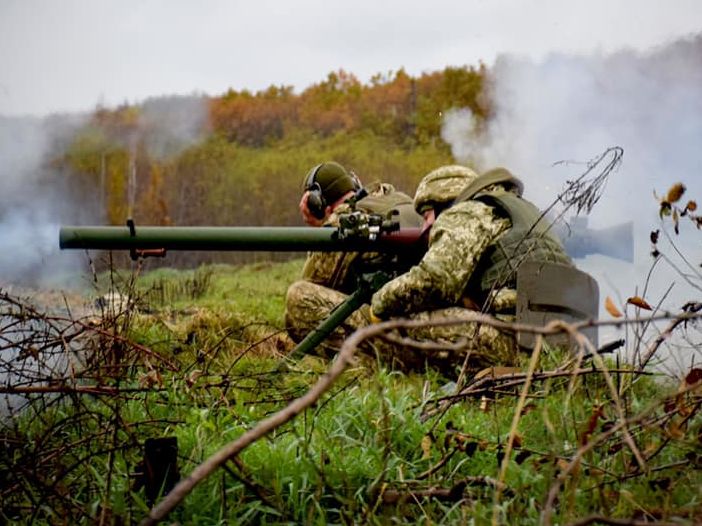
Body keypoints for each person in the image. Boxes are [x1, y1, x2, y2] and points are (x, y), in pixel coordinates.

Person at [368, 164, 574, 370]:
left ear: (443, 203)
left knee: (405, 317)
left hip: (517, 348)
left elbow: (434, 280)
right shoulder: (527, 214)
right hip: (565, 351)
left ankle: (382, 370)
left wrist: (379, 304)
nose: (425, 226)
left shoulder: (468, 212)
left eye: (426, 215)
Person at [284, 161, 423, 355]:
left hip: (394, 329)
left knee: (297, 300)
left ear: (317, 201)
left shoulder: (348, 221)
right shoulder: (399, 199)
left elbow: (313, 282)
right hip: (432, 320)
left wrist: (320, 228)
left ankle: (369, 366)